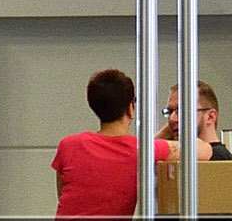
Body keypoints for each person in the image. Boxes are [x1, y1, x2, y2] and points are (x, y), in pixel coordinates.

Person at [52, 69, 209, 218]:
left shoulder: (68, 145)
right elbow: (205, 150)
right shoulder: (140, 151)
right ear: (131, 107)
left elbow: (63, 195)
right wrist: (173, 124)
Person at [156, 81, 232, 161]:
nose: (172, 118)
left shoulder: (219, 156)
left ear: (210, 117)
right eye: (169, 111)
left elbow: (156, 150)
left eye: (182, 111)